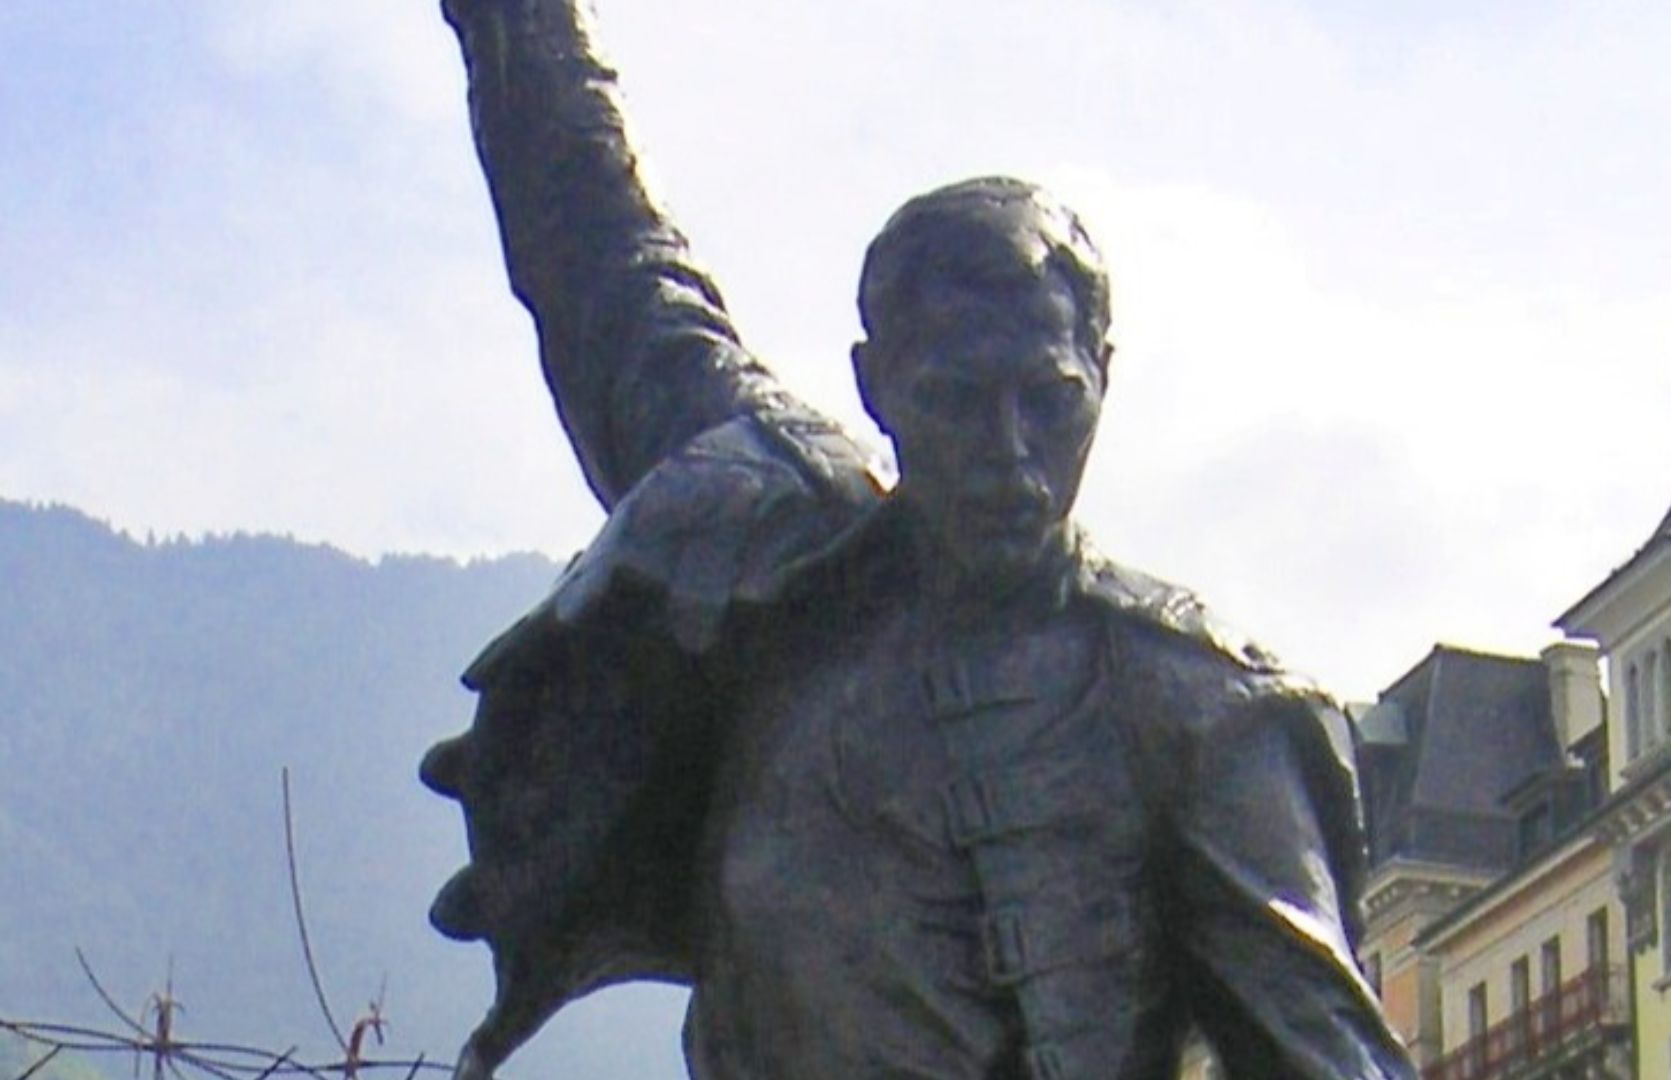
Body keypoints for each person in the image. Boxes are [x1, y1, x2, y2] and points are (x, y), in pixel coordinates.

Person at [419, 2, 1417, 1077]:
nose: (1011, 452)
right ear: (875, 383)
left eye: (1048, 398)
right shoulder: (775, 562)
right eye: (956, 398)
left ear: (1103, 377)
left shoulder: (1201, 712)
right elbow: (606, 266)